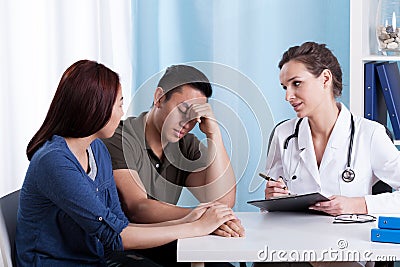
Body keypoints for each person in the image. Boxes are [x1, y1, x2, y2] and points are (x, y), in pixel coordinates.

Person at [16, 60, 238, 267]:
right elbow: (116, 233)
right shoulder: (54, 161)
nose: (122, 112)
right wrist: (196, 226)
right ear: (94, 107)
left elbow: (119, 223)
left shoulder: (97, 150)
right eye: (119, 104)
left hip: (96, 256)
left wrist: (193, 219)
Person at [255, 41, 400, 267]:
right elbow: (272, 205)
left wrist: (359, 204)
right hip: (293, 249)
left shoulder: (369, 134)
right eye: (285, 87)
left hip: (347, 251)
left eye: (296, 84)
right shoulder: (284, 135)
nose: (288, 96)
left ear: (325, 79)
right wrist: (273, 198)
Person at [102, 64, 244, 267]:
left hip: (167, 239)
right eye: (182, 110)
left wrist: (214, 135)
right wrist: (201, 218)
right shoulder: (118, 137)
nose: (188, 123)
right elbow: (137, 208)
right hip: (122, 246)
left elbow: (221, 200)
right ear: (159, 98)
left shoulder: (185, 144)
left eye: (195, 116)